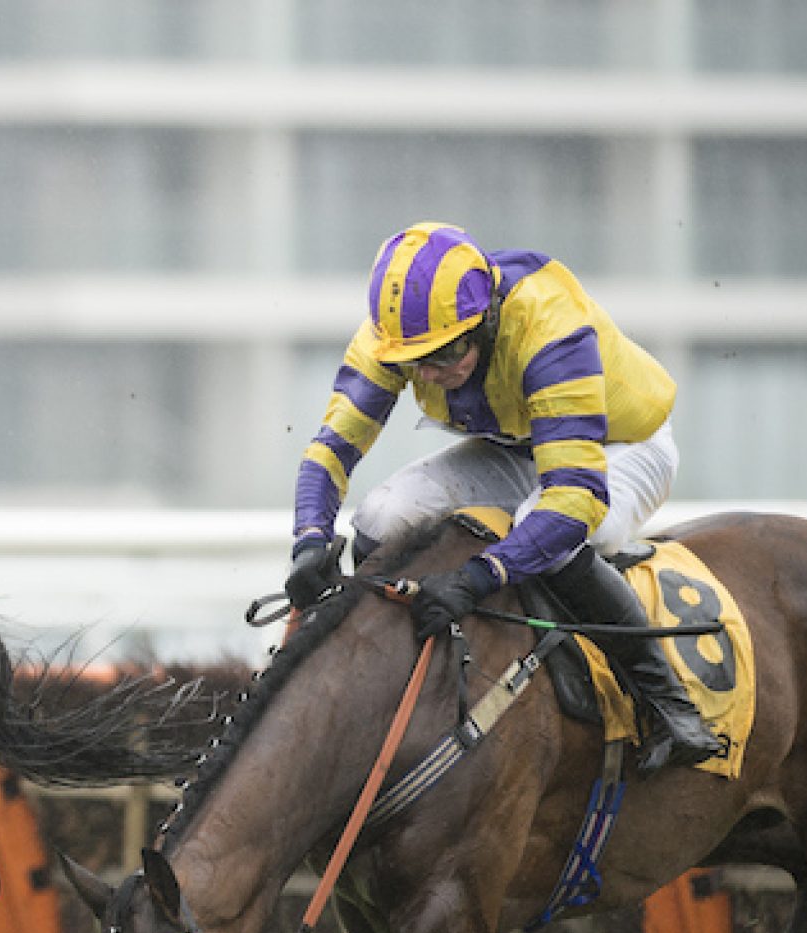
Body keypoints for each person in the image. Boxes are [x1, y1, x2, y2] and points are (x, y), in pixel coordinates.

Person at [285, 221, 718, 775]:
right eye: (415, 363)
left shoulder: (549, 324)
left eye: (445, 355)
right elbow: (329, 452)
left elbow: (572, 502)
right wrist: (309, 540)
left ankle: (668, 702)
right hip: (520, 445)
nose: (430, 375)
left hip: (622, 447)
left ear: (486, 319)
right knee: (382, 515)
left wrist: (477, 577)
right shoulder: (395, 337)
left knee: (546, 530)